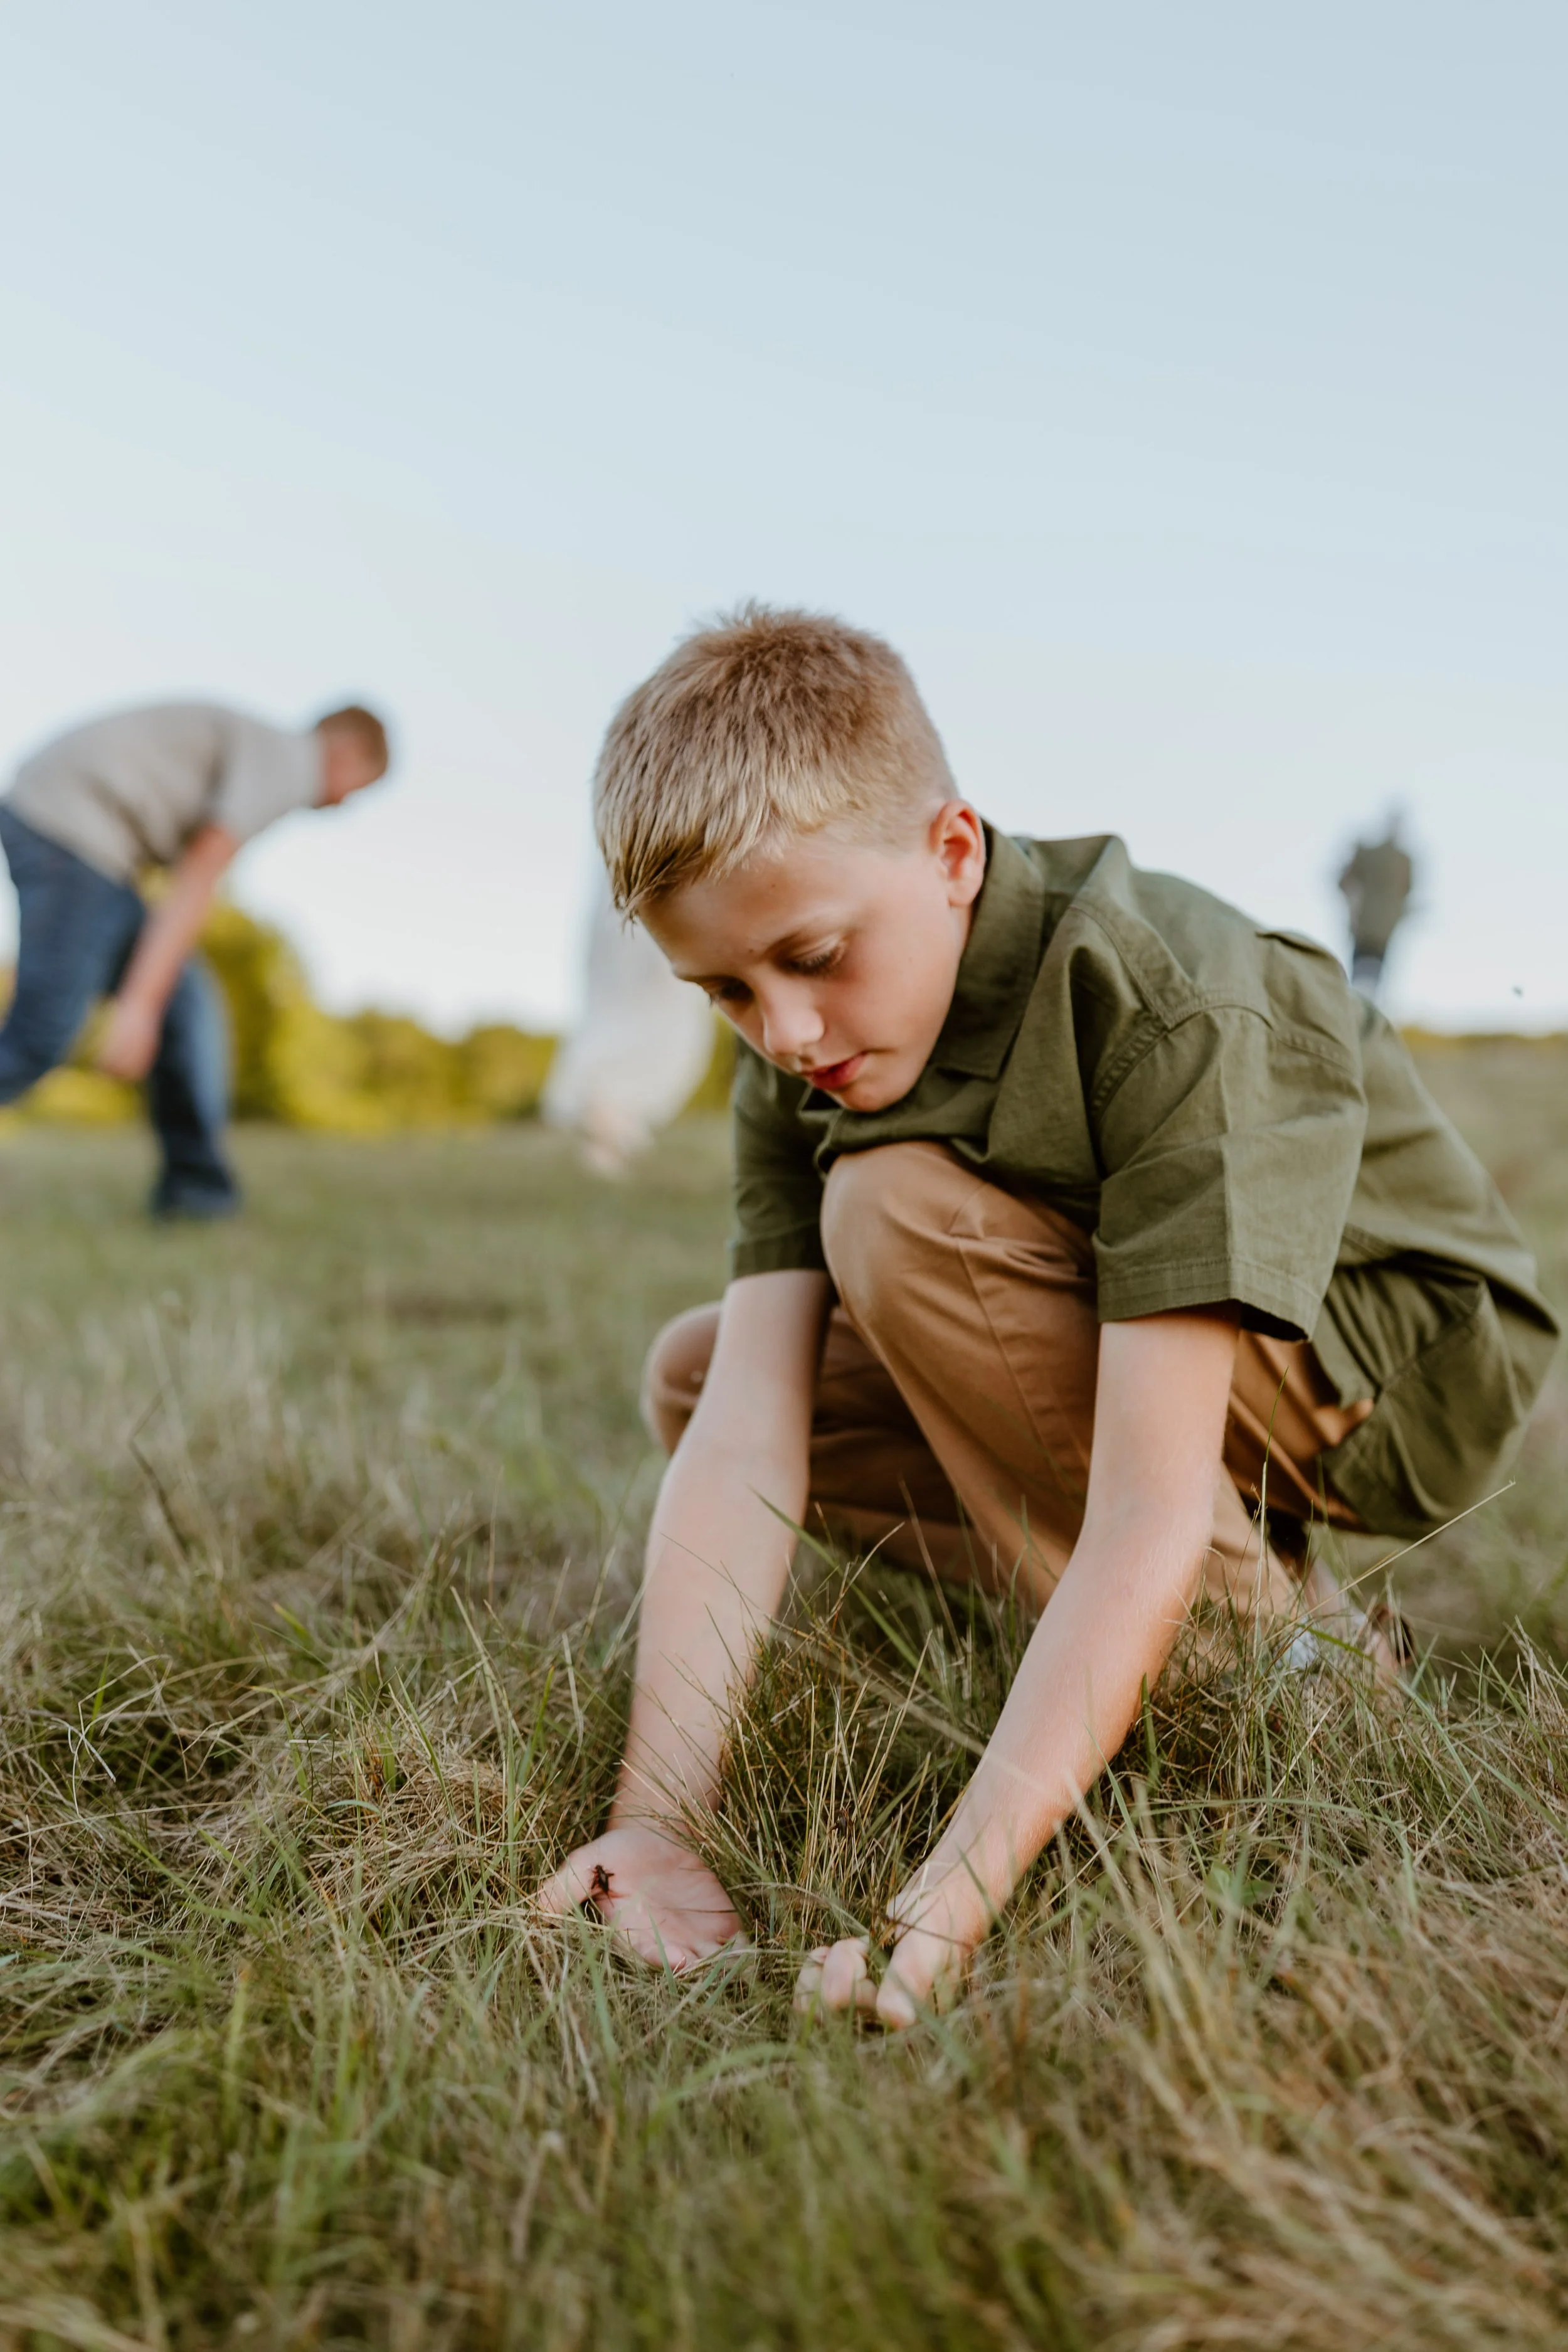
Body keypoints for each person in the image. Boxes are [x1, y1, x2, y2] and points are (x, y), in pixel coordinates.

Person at [536, 608, 1557, 2028]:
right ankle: (1275, 1616)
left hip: (1391, 1369)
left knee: (893, 1217)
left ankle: (1281, 1663)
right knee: (696, 1375)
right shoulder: (801, 1052)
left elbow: (1141, 1501)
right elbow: (748, 1429)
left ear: (953, 853)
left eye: (814, 954)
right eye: (724, 990)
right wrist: (656, 1816)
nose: (782, 1031)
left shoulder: (1165, 993)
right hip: (1141, 1331)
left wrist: (944, 1901)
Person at [0, 699, 390, 1216]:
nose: (345, 803)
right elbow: (198, 875)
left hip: (90, 843)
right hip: (70, 829)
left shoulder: (263, 748)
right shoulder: (291, 761)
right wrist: (139, 1005)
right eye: (358, 788)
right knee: (41, 1036)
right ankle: (199, 1190)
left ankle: (196, 1196)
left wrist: (152, 998)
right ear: (348, 751)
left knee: (187, 1005)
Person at [541, 867, 714, 1174]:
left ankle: (605, 1123)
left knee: (634, 1012)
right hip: (643, 899)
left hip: (628, 903)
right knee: (650, 1011)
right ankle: (604, 1116)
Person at [1337, 818, 1414, 997]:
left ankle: (1364, 1013)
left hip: (1377, 928)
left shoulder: (1401, 860)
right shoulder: (1378, 856)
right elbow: (1345, 882)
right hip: (1365, 927)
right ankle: (1356, 1012)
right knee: (1360, 973)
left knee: (1373, 975)